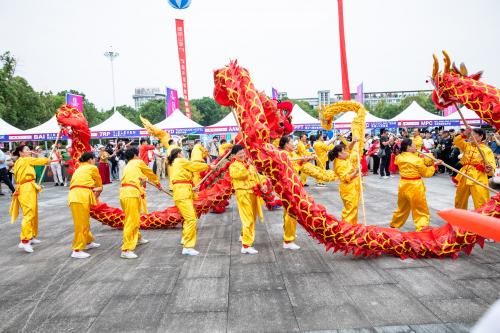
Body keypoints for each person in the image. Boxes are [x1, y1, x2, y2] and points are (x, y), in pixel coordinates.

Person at [168, 148, 212, 255]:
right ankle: (188, 246)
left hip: (184, 192)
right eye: (182, 152)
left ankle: (185, 239)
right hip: (182, 194)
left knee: (188, 219)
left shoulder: (176, 163)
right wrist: (208, 166)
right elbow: (194, 166)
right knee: (191, 219)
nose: (183, 154)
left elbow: (183, 178)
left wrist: (192, 188)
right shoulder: (180, 161)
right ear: (179, 154)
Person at [390, 138, 440, 231]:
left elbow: (406, 158)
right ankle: (422, 228)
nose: (416, 147)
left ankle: (394, 225)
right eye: (414, 145)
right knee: (420, 209)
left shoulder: (399, 157)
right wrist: (434, 165)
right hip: (415, 186)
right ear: (409, 147)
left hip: (403, 185)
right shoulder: (417, 160)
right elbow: (426, 173)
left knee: (402, 208)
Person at [120, 147, 161, 259]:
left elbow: (140, 177)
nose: (138, 156)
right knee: (131, 220)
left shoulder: (128, 165)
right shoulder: (138, 162)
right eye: (137, 154)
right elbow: (149, 172)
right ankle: (126, 249)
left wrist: (144, 179)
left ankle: (137, 238)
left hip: (126, 193)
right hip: (131, 193)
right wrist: (157, 182)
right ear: (134, 155)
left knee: (133, 218)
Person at [9, 145, 49, 253]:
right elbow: (45, 161)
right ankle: (24, 240)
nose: (29, 151)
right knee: (29, 213)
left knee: (33, 212)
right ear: (21, 153)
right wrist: (39, 155)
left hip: (28, 187)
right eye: (26, 150)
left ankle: (31, 236)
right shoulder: (25, 159)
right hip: (26, 188)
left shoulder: (20, 161)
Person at [229, 145, 267, 254]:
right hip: (243, 193)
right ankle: (246, 245)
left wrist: (263, 184)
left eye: (243, 152)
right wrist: (247, 165)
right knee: (248, 219)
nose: (242, 154)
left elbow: (257, 176)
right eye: (239, 153)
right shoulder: (233, 166)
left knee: (252, 218)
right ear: (234, 155)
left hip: (253, 193)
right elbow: (239, 175)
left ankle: (243, 236)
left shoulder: (250, 165)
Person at [280, 135, 313, 250]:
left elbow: (297, 166)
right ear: (285, 144)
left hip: (294, 185)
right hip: (288, 187)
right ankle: (288, 240)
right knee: (291, 212)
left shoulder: (293, 154)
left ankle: (288, 232)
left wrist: (306, 160)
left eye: (293, 141)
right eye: (291, 142)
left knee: (288, 212)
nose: (293, 144)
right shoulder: (283, 154)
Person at [68, 152, 103, 259]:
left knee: (84, 221)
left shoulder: (79, 168)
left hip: (79, 195)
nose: (95, 161)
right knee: (81, 224)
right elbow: (98, 182)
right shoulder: (92, 167)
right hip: (80, 196)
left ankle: (88, 241)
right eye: (94, 159)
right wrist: (99, 189)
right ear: (90, 160)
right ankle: (77, 249)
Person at [453, 128, 495, 209]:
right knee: (460, 199)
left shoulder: (487, 150)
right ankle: (459, 217)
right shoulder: (466, 145)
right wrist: (464, 134)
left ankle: (482, 220)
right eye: (470, 134)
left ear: (481, 136)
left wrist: (488, 168)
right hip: (464, 175)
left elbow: (491, 166)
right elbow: (456, 141)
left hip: (478, 177)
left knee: (481, 200)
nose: (470, 136)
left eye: (473, 134)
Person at [329, 139, 360, 225]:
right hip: (348, 188)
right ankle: (346, 230)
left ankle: (353, 227)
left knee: (354, 208)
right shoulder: (339, 164)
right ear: (339, 154)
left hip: (353, 186)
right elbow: (345, 178)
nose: (347, 152)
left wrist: (353, 142)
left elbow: (349, 149)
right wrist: (356, 171)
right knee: (350, 209)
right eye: (344, 151)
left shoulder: (343, 158)